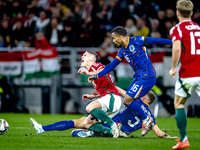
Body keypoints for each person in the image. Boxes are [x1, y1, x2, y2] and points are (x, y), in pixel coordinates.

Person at [88, 26, 172, 136]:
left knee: (127, 100)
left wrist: (174, 42)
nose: (113, 41)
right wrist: (97, 76)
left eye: (114, 38)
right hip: (138, 77)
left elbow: (156, 40)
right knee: (129, 100)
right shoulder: (123, 51)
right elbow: (111, 66)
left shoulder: (137, 40)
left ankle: (146, 119)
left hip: (147, 76)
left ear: (121, 36)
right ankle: (148, 121)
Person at [30, 87, 177, 139]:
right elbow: (158, 133)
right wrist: (171, 137)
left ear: (144, 97)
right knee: (78, 128)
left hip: (112, 125)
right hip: (121, 133)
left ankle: (42, 129)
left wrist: (109, 85)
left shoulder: (136, 102)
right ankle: (91, 133)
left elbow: (121, 92)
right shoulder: (150, 117)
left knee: (80, 122)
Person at [169, 0, 200, 149]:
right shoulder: (199, 28)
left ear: (178, 13)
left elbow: (176, 49)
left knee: (179, 103)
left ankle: (183, 139)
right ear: (192, 13)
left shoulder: (177, 29)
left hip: (187, 73)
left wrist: (174, 67)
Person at [78, 51, 122, 138]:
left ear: (92, 59)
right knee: (87, 124)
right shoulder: (93, 72)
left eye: (85, 55)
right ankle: (114, 132)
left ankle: (114, 125)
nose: (82, 57)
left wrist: (88, 73)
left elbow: (104, 70)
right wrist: (92, 96)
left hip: (112, 97)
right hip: (107, 99)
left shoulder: (96, 65)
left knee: (89, 107)